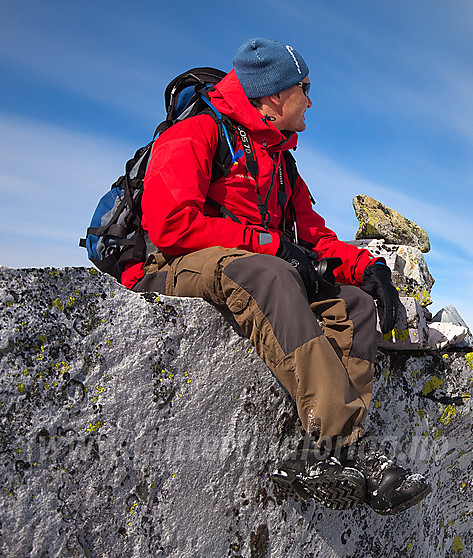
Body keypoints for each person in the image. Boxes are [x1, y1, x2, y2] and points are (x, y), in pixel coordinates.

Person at [121, 37, 431, 515]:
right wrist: (272, 246)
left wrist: (367, 268)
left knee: (352, 304)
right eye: (303, 88)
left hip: (244, 263)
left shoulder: (279, 159)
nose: (310, 100)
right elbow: (170, 224)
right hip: (170, 265)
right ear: (272, 95)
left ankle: (330, 455)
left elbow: (312, 234)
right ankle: (338, 441)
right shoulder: (197, 132)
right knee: (273, 274)